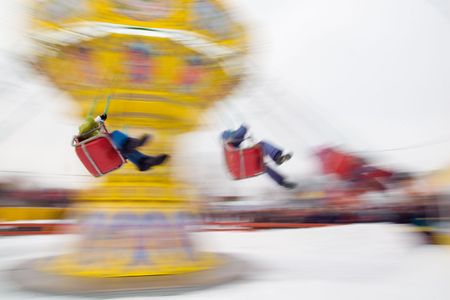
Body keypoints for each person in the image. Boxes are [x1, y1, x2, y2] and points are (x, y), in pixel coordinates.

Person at [78, 114, 169, 171]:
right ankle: (135, 143)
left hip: (108, 150)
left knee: (125, 150)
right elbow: (85, 127)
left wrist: (100, 121)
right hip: (104, 146)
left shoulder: (93, 136)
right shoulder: (84, 134)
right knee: (116, 135)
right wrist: (98, 119)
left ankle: (144, 161)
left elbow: (94, 128)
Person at [222, 124, 297, 189]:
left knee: (263, 166)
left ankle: (282, 182)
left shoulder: (231, 147)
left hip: (243, 163)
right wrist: (243, 126)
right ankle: (277, 157)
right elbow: (241, 131)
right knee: (263, 144)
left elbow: (238, 137)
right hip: (243, 162)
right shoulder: (228, 138)